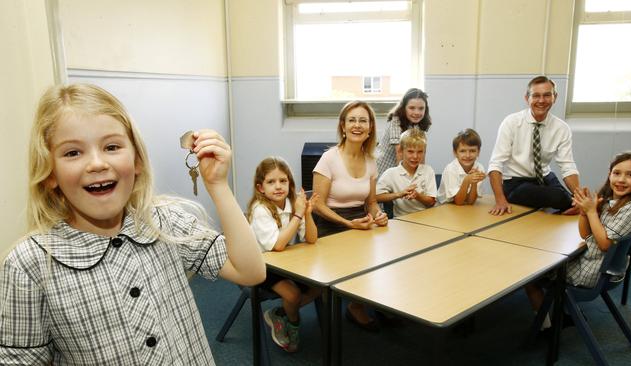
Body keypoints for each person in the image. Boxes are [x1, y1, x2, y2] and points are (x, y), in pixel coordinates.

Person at [0, 84, 265, 365]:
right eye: (73, 153)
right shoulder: (29, 265)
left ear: (136, 160)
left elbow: (250, 271)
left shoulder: (164, 221)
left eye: (111, 147)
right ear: (50, 172)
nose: (97, 163)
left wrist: (218, 185)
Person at [526, 152, 631, 329]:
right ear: (609, 174)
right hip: (603, 268)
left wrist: (592, 212)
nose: (621, 179)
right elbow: (585, 234)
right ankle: (566, 313)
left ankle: (545, 327)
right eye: (617, 173)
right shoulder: (613, 202)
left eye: (630, 175)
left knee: (531, 275)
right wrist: (585, 212)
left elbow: (605, 244)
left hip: (594, 273)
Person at [312, 100, 388, 332]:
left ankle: (356, 305)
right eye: (351, 120)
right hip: (329, 223)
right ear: (343, 126)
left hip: (360, 222)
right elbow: (316, 205)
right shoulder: (329, 158)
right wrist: (347, 223)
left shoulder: (371, 161)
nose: (357, 125)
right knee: (341, 269)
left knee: (385, 258)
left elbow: (371, 202)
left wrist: (378, 215)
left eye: (363, 120)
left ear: (370, 128)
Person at [247, 157, 321, 353]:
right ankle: (293, 324)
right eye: (271, 182)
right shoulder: (260, 209)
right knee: (293, 294)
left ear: (290, 183)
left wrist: (307, 213)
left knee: (320, 287)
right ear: (261, 188)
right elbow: (278, 245)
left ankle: (280, 313)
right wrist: (297, 214)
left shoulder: (292, 203)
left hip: (286, 263)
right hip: (261, 265)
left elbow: (312, 239)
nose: (278, 186)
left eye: (283, 181)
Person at [487, 76, 580, 215]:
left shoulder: (562, 128)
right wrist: (500, 200)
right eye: (536, 96)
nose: (541, 100)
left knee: (574, 200)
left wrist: (580, 198)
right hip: (516, 182)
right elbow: (495, 164)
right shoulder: (511, 122)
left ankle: (573, 203)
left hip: (545, 177)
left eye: (547, 95)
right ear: (527, 98)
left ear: (555, 97)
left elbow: (567, 166)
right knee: (559, 198)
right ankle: (567, 204)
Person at [376, 128, 437, 216]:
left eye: (420, 152)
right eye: (410, 151)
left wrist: (417, 196)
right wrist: (399, 194)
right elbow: (376, 197)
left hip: (426, 218)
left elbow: (431, 202)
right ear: (401, 151)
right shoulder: (391, 173)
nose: (415, 156)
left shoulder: (428, 170)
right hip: (402, 221)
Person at [375, 88, 432, 177]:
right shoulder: (396, 121)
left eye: (421, 108)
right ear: (404, 107)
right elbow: (399, 154)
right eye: (412, 108)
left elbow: (422, 153)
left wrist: (421, 177)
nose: (417, 112)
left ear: (426, 109)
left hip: (403, 168)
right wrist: (403, 181)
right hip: (383, 169)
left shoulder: (419, 125)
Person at [438, 128, 486, 205]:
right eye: (462, 151)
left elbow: (470, 202)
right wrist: (467, 179)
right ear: (455, 153)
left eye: (472, 151)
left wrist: (474, 182)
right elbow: (458, 202)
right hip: (445, 206)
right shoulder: (451, 169)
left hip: (464, 205)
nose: (467, 155)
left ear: (478, 152)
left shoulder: (479, 168)